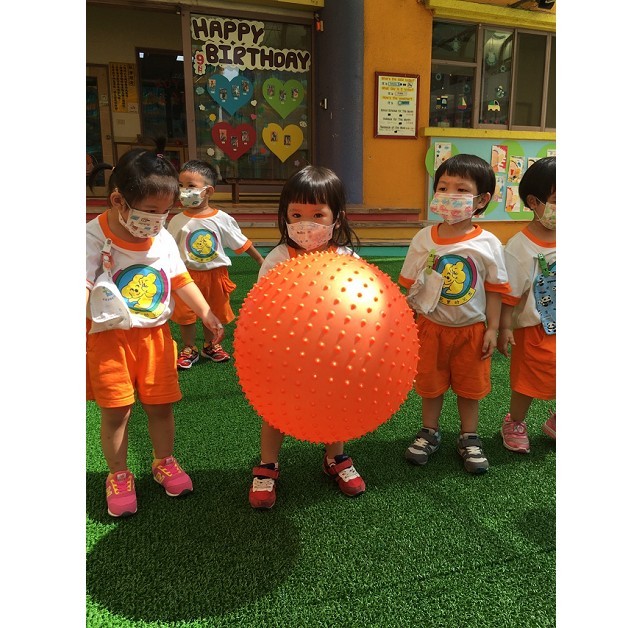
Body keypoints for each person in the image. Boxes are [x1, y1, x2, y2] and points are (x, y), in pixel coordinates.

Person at [86, 145, 224, 518]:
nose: (158, 220)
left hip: (156, 338)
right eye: (150, 211)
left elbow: (180, 279)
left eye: (165, 211)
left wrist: (206, 312)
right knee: (117, 412)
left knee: (160, 406)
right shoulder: (91, 237)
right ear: (119, 200)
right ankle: (118, 474)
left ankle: (164, 460)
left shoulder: (160, 235)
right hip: (109, 341)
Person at [249, 165, 366, 509]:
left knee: (335, 407)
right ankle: (268, 465)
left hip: (333, 354)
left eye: (318, 215)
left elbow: (362, 305)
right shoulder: (278, 259)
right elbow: (262, 307)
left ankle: (335, 457)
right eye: (296, 215)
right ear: (285, 216)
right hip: (287, 355)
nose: (306, 224)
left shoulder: (347, 258)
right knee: (276, 411)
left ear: (336, 218)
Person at [398, 154, 511, 474]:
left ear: (481, 200)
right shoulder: (423, 238)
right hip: (430, 328)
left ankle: (469, 436)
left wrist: (492, 329)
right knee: (430, 385)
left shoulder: (488, 243)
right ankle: (429, 431)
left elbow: (495, 289)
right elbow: (409, 287)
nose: (450, 195)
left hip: (472, 331)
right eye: (443, 187)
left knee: (470, 388)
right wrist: (407, 326)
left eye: (461, 190)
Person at [168, 160, 264, 368]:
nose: (184, 191)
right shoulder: (176, 221)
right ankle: (189, 347)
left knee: (214, 310)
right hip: (186, 276)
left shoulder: (222, 219)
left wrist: (260, 260)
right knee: (186, 314)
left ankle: (211, 345)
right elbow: (167, 248)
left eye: (191, 186)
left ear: (208, 191)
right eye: (181, 185)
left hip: (216, 276)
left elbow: (241, 241)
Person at [498, 156, 556, 453]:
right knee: (527, 380)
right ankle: (515, 421)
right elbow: (509, 293)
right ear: (534, 202)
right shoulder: (520, 246)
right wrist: (504, 327)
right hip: (534, 327)